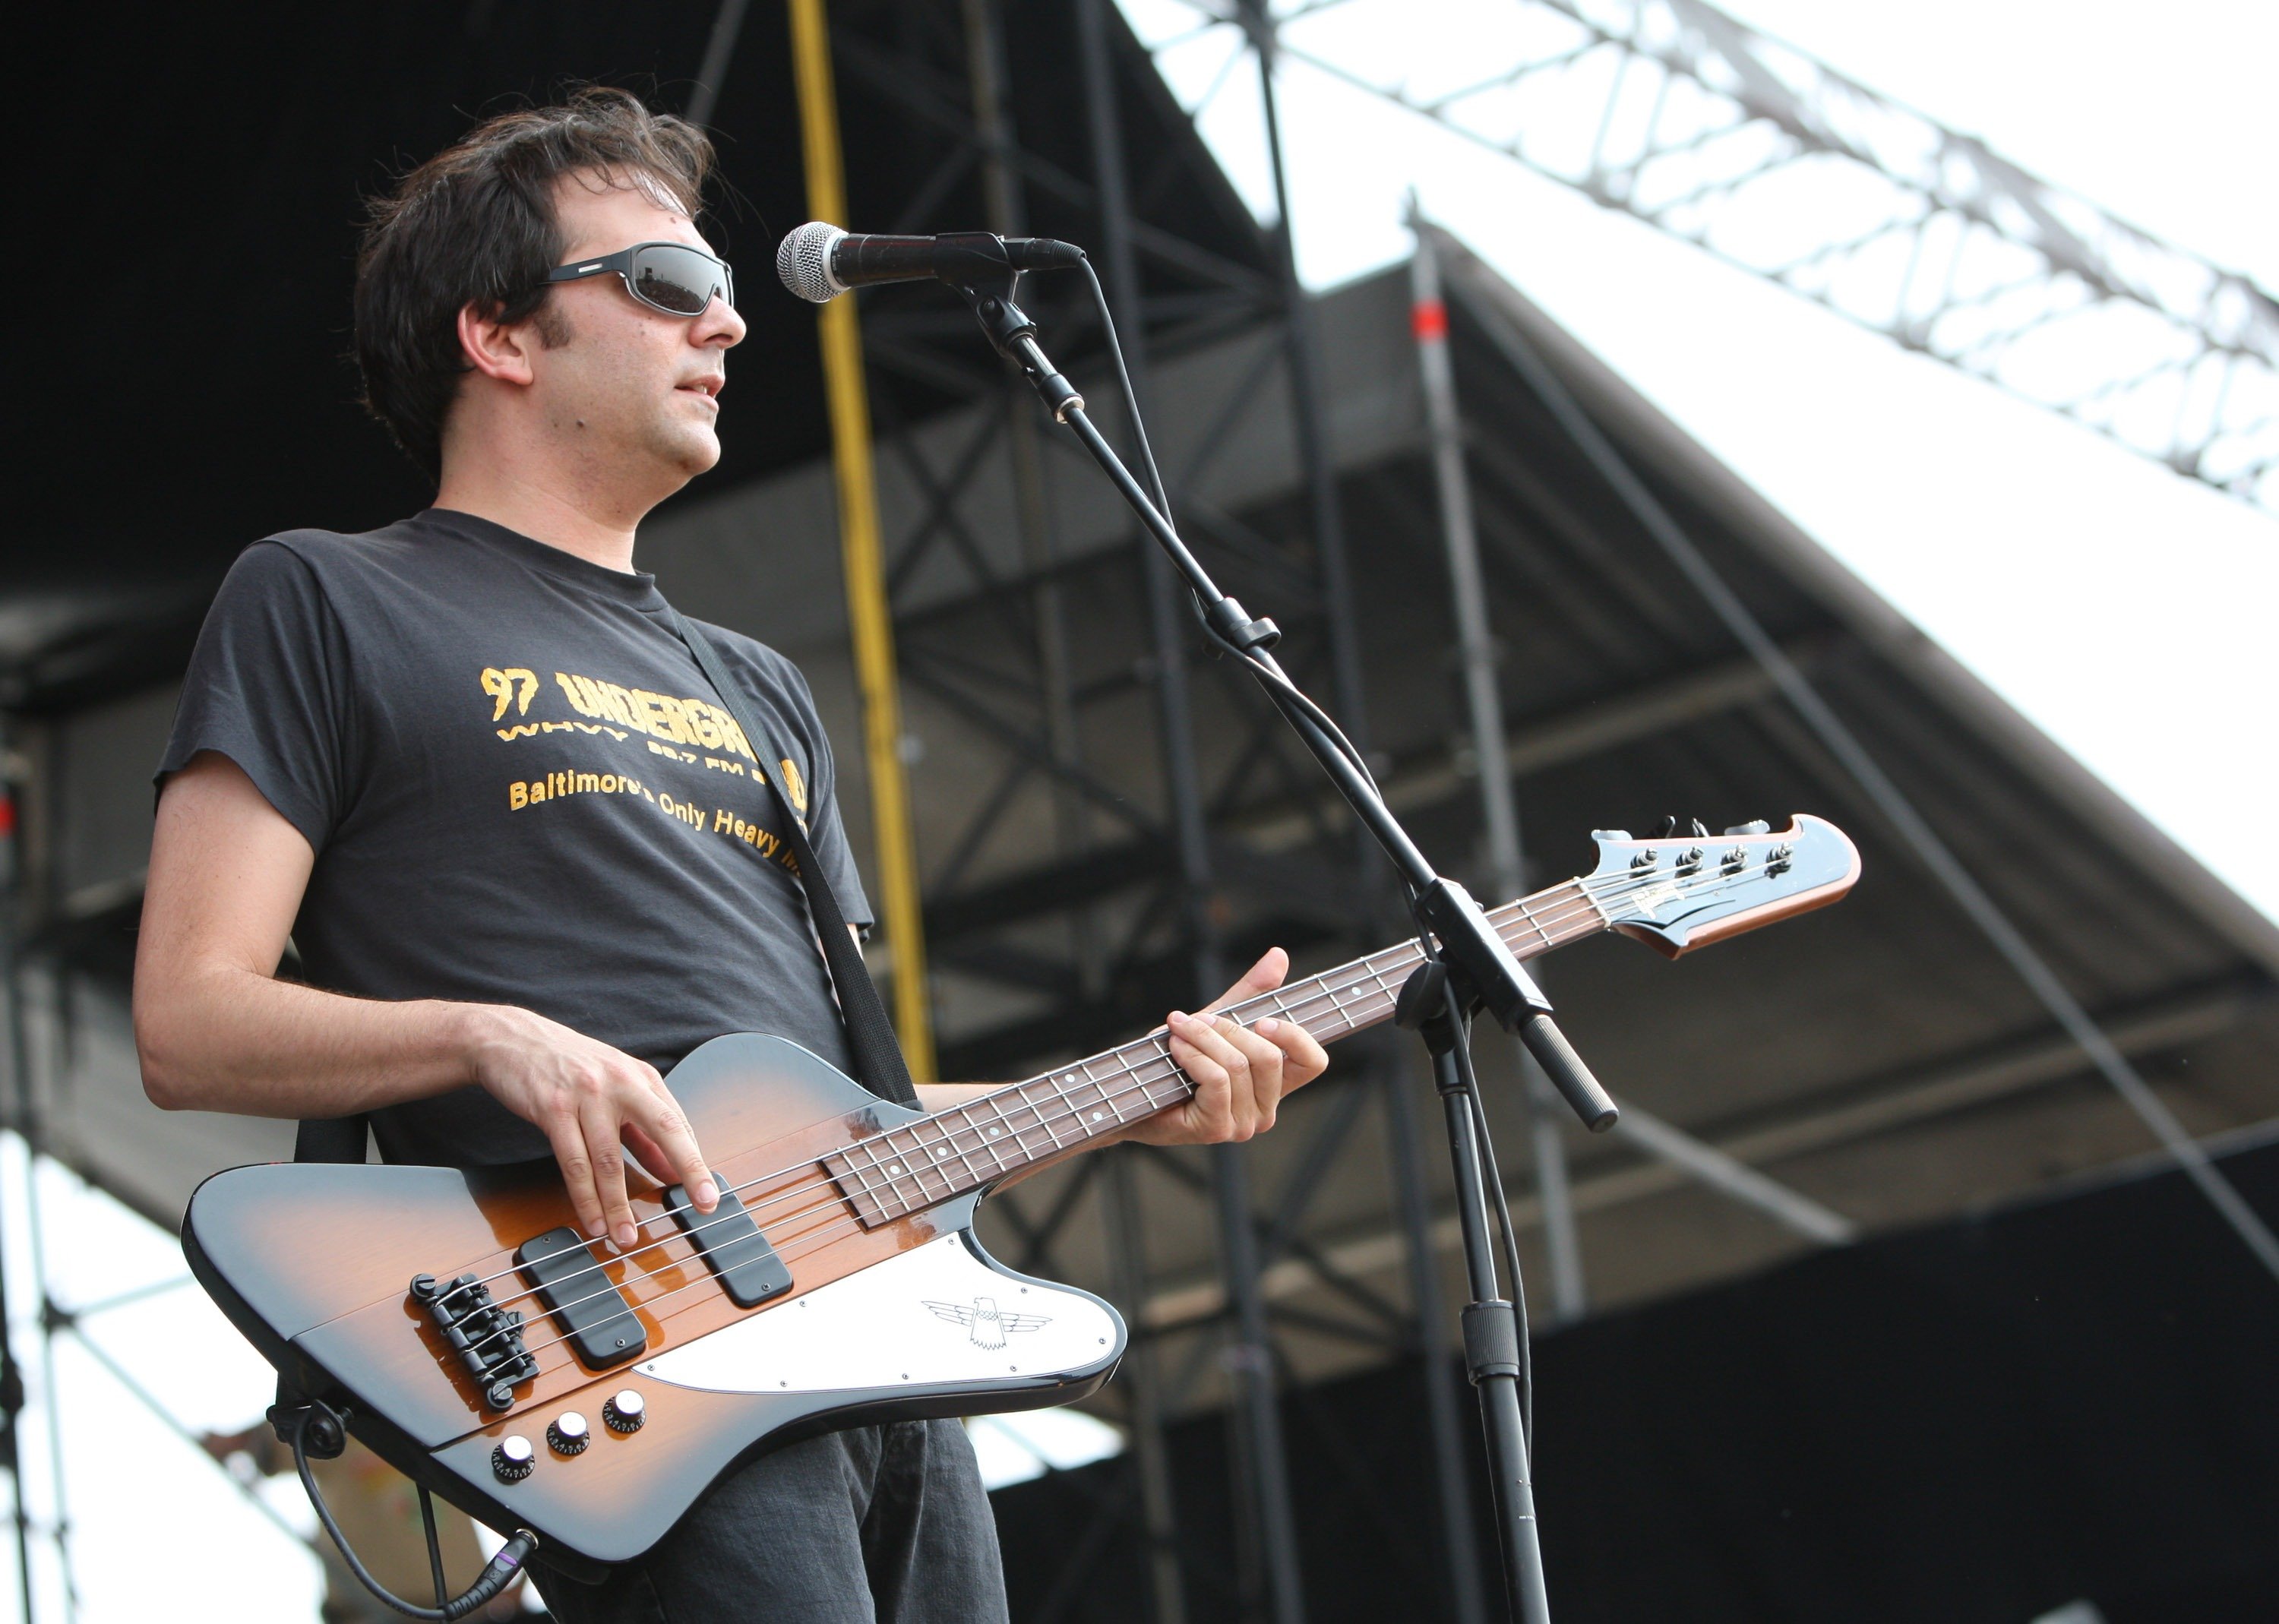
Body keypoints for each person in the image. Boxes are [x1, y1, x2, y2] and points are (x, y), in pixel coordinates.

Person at [132, 87, 1328, 1623]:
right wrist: (492, 1039)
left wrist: (1126, 1100)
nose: (731, 322)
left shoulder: (758, 689)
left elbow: (835, 1128)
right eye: (670, 283)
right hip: (636, 1357)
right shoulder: (323, 599)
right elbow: (188, 1019)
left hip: (883, 1359)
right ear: (498, 335)